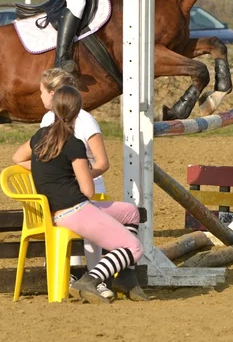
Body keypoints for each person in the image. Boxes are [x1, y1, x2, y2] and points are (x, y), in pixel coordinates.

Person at [12, 84, 149, 304]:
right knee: (134, 248)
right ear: (77, 112)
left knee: (131, 213)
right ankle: (90, 279)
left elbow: (17, 158)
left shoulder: (39, 136)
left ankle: (126, 278)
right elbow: (88, 190)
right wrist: (73, 176)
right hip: (75, 211)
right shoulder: (74, 144)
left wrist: (47, 172)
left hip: (58, 210)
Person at [36, 68, 114, 299]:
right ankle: (67, 275)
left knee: (91, 234)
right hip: (62, 189)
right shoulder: (46, 120)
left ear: (53, 94)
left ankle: (96, 278)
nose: (39, 96)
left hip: (89, 188)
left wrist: (81, 175)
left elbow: (102, 162)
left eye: (41, 92)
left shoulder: (86, 121)